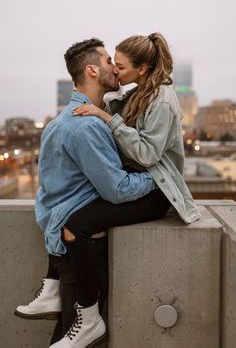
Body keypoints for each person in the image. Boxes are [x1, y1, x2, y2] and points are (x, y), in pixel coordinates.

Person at [16, 37, 171, 348]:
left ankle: (53, 293)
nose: (114, 68)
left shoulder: (64, 120)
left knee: (67, 333)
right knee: (78, 335)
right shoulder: (85, 125)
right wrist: (159, 179)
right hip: (80, 244)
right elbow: (116, 189)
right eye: (108, 61)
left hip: (61, 234)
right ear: (92, 70)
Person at [47, 33, 200, 348]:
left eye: (120, 66)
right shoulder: (139, 93)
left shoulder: (163, 99)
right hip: (137, 183)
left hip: (156, 191)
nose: (115, 71)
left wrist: (104, 116)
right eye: (112, 64)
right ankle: (52, 290)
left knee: (77, 225)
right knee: (68, 208)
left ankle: (89, 319)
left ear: (142, 69)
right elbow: (110, 101)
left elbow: (146, 154)